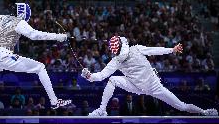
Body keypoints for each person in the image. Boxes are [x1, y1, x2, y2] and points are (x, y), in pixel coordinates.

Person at [81, 36, 218, 116]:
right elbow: (99, 76)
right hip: (135, 86)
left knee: (181, 106)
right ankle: (101, 110)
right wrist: (88, 76)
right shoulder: (116, 61)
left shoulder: (137, 49)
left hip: (154, 86)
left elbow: (155, 50)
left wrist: (172, 49)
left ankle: (205, 112)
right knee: (112, 80)